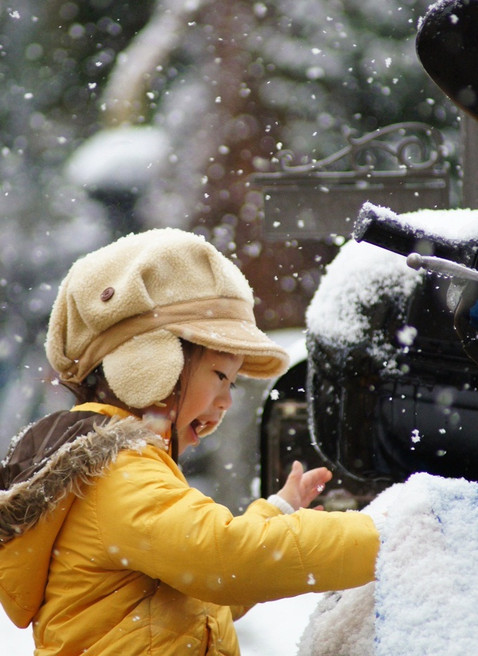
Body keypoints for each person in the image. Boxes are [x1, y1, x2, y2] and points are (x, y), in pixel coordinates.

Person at [0, 228, 380, 655]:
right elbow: (225, 560)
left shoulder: (123, 470)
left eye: (233, 384)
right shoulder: (116, 474)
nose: (225, 402)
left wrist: (277, 512)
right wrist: (381, 539)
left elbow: (208, 592)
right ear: (150, 363)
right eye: (220, 376)